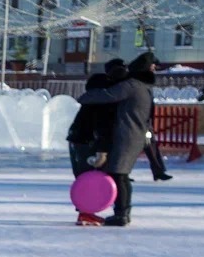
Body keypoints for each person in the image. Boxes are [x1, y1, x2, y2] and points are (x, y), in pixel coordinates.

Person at [75, 52, 159, 226]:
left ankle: (121, 214)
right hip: (134, 136)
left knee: (119, 175)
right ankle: (123, 212)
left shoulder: (132, 85)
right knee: (121, 175)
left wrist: (85, 98)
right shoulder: (144, 87)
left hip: (126, 137)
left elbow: (107, 95)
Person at [66, 58, 128, 225]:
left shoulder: (89, 100)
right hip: (88, 144)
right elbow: (102, 128)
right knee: (88, 177)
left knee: (82, 176)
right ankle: (85, 212)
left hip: (76, 141)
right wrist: (102, 151)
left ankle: (85, 211)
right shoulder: (102, 104)